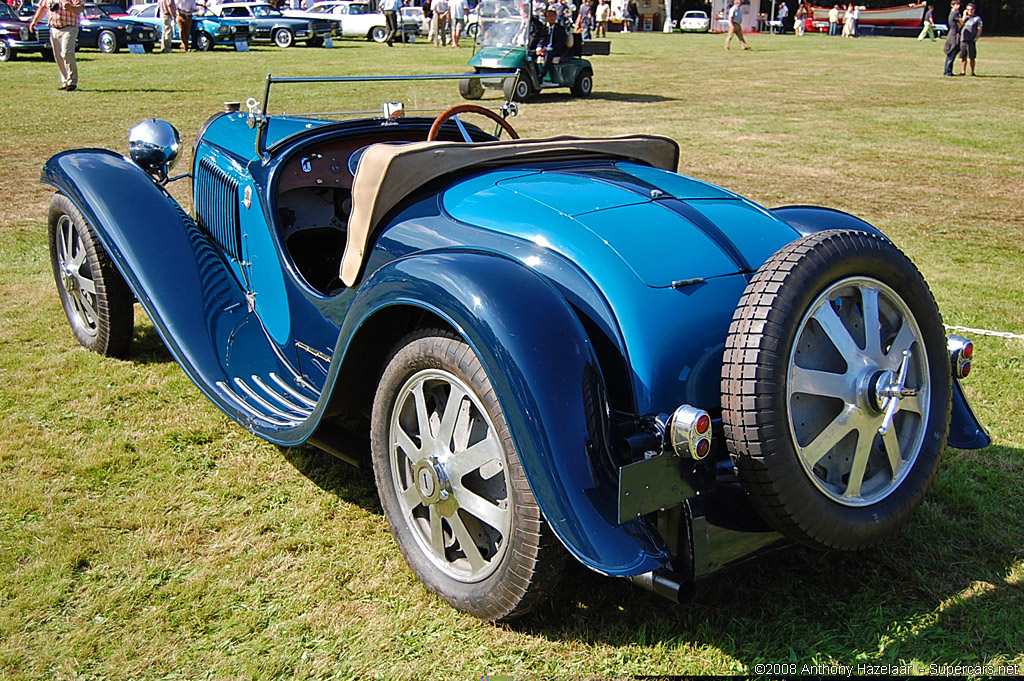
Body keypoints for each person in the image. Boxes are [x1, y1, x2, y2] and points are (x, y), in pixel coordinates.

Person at [29, 0, 82, 91]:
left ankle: (72, 82)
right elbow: (42, 8)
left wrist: (72, 7)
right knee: (58, 56)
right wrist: (35, 21)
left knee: (66, 53)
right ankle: (65, 81)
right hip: (54, 28)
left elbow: (81, 7)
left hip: (69, 27)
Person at [534, 8, 567, 81]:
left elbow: (560, 43)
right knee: (531, 54)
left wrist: (546, 49)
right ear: (546, 18)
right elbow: (541, 40)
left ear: (556, 17)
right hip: (546, 49)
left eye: (553, 16)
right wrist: (539, 48)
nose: (551, 18)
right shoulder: (544, 29)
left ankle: (542, 74)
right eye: (549, 16)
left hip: (557, 50)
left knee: (548, 53)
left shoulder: (560, 29)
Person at [959, 2, 982, 76]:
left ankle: (972, 72)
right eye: (968, 9)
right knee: (963, 57)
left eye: (971, 9)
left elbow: (980, 28)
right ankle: (963, 71)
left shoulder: (977, 18)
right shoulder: (964, 18)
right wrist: (964, 17)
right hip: (963, 39)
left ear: (974, 10)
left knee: (971, 57)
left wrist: (976, 37)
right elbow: (960, 26)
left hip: (971, 40)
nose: (970, 11)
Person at [942, 0, 961, 76]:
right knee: (951, 54)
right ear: (952, 5)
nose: (958, 6)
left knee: (950, 55)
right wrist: (964, 15)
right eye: (957, 4)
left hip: (951, 34)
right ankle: (947, 72)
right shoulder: (955, 13)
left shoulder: (951, 13)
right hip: (954, 35)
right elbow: (961, 23)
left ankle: (948, 71)